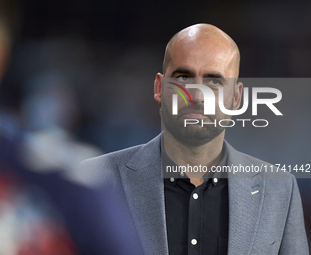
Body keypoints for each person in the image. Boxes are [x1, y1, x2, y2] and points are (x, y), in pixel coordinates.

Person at [80, 23, 309, 255]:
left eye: (214, 81)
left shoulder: (279, 189)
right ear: (159, 87)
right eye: (183, 77)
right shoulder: (97, 180)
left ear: (236, 97)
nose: (198, 95)